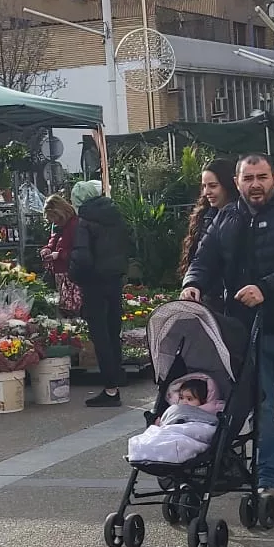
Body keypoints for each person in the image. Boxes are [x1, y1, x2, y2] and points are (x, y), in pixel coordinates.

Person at [181, 153, 274, 505]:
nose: (255, 184)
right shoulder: (226, 218)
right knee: (261, 406)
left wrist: (265, 288)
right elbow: (204, 258)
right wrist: (193, 283)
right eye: (248, 178)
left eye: (261, 177)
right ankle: (268, 479)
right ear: (238, 182)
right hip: (247, 329)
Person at [68, 180, 132, 407]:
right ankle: (118, 374)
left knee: (100, 335)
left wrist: (74, 274)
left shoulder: (85, 221)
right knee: (113, 331)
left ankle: (110, 388)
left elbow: (82, 257)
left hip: (94, 283)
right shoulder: (115, 217)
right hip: (114, 280)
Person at [124, 376, 221, 465]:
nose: (184, 402)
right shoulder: (175, 409)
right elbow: (167, 424)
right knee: (153, 435)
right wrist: (160, 424)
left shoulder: (210, 412)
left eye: (189, 399)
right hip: (171, 429)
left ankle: (151, 450)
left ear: (204, 400)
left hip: (192, 429)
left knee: (176, 443)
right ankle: (146, 448)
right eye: (181, 398)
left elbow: (207, 431)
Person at [177, 158, 240, 277]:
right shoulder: (203, 216)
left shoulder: (242, 216)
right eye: (204, 186)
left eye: (213, 186)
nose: (207, 192)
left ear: (229, 185)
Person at [39, 194, 83, 314]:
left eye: (53, 217)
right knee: (65, 307)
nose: (53, 221)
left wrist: (59, 254)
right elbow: (52, 241)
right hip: (60, 272)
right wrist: (47, 249)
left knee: (71, 309)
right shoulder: (59, 225)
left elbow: (80, 251)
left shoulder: (75, 225)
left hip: (71, 275)